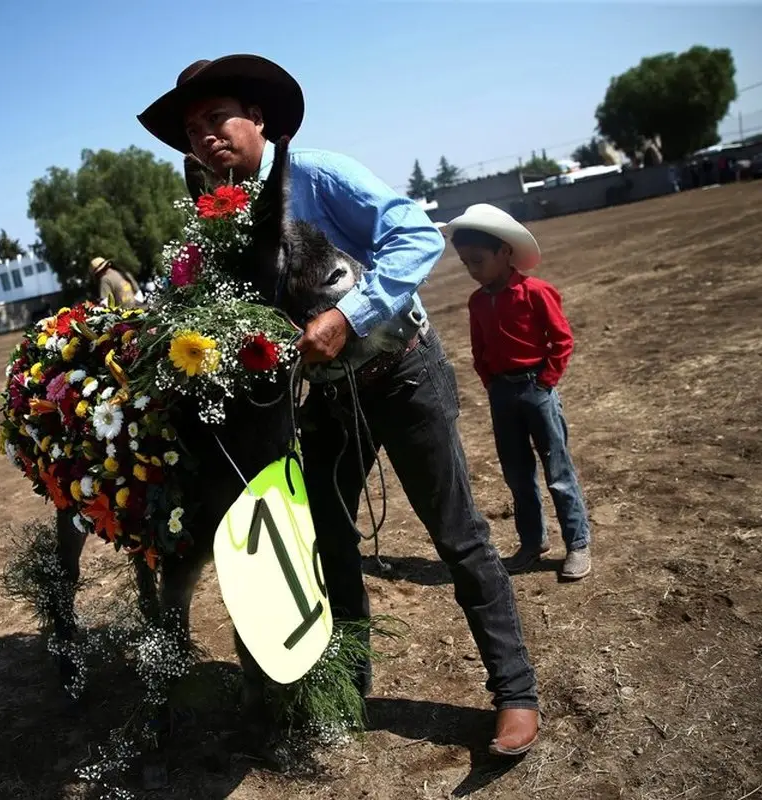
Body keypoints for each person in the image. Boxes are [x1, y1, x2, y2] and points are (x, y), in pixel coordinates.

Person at [138, 54, 539, 756]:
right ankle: (349, 690)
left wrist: (349, 317)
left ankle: (514, 692)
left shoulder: (317, 176)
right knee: (331, 545)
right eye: (191, 129)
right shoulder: (217, 224)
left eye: (216, 117)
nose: (204, 137)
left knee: (458, 534)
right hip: (324, 402)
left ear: (256, 118)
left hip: (402, 372)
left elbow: (415, 236)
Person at [443, 204, 592, 581]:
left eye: (478, 260)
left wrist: (546, 381)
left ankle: (577, 543)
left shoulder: (536, 292)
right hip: (502, 395)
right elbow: (480, 350)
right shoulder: (477, 302)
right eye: (466, 264)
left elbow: (561, 339)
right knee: (517, 474)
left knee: (557, 470)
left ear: (504, 252)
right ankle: (532, 542)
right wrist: (491, 383)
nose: (473, 271)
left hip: (536, 390)